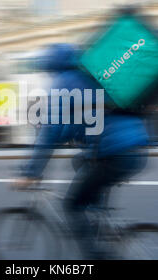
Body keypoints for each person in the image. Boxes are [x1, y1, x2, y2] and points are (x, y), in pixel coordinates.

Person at [12, 43, 149, 259]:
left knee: (72, 206)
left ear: (50, 66)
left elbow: (50, 135)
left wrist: (30, 173)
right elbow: (76, 123)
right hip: (137, 146)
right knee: (81, 162)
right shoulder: (96, 75)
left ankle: (98, 257)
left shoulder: (62, 85)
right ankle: (97, 216)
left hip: (114, 154)